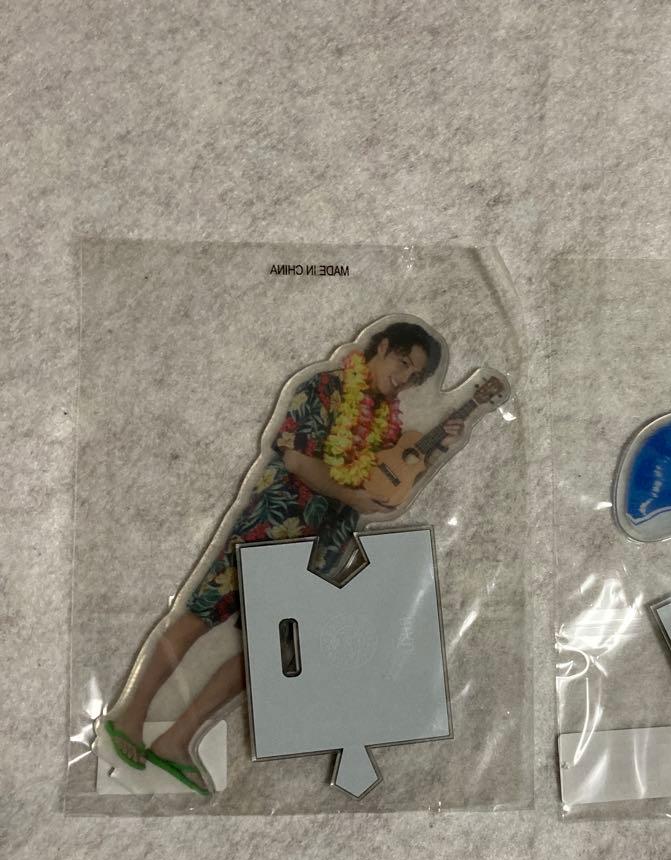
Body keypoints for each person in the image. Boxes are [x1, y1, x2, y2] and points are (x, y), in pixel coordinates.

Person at [99, 320, 464, 794]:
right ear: (382, 347)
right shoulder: (324, 387)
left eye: (414, 377)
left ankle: (177, 739)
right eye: (403, 363)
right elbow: (298, 460)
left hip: (323, 543)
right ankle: (129, 716)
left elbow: (388, 478)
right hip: (272, 520)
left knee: (267, 650)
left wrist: (435, 447)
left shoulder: (387, 424)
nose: (404, 379)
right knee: (201, 615)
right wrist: (353, 498)